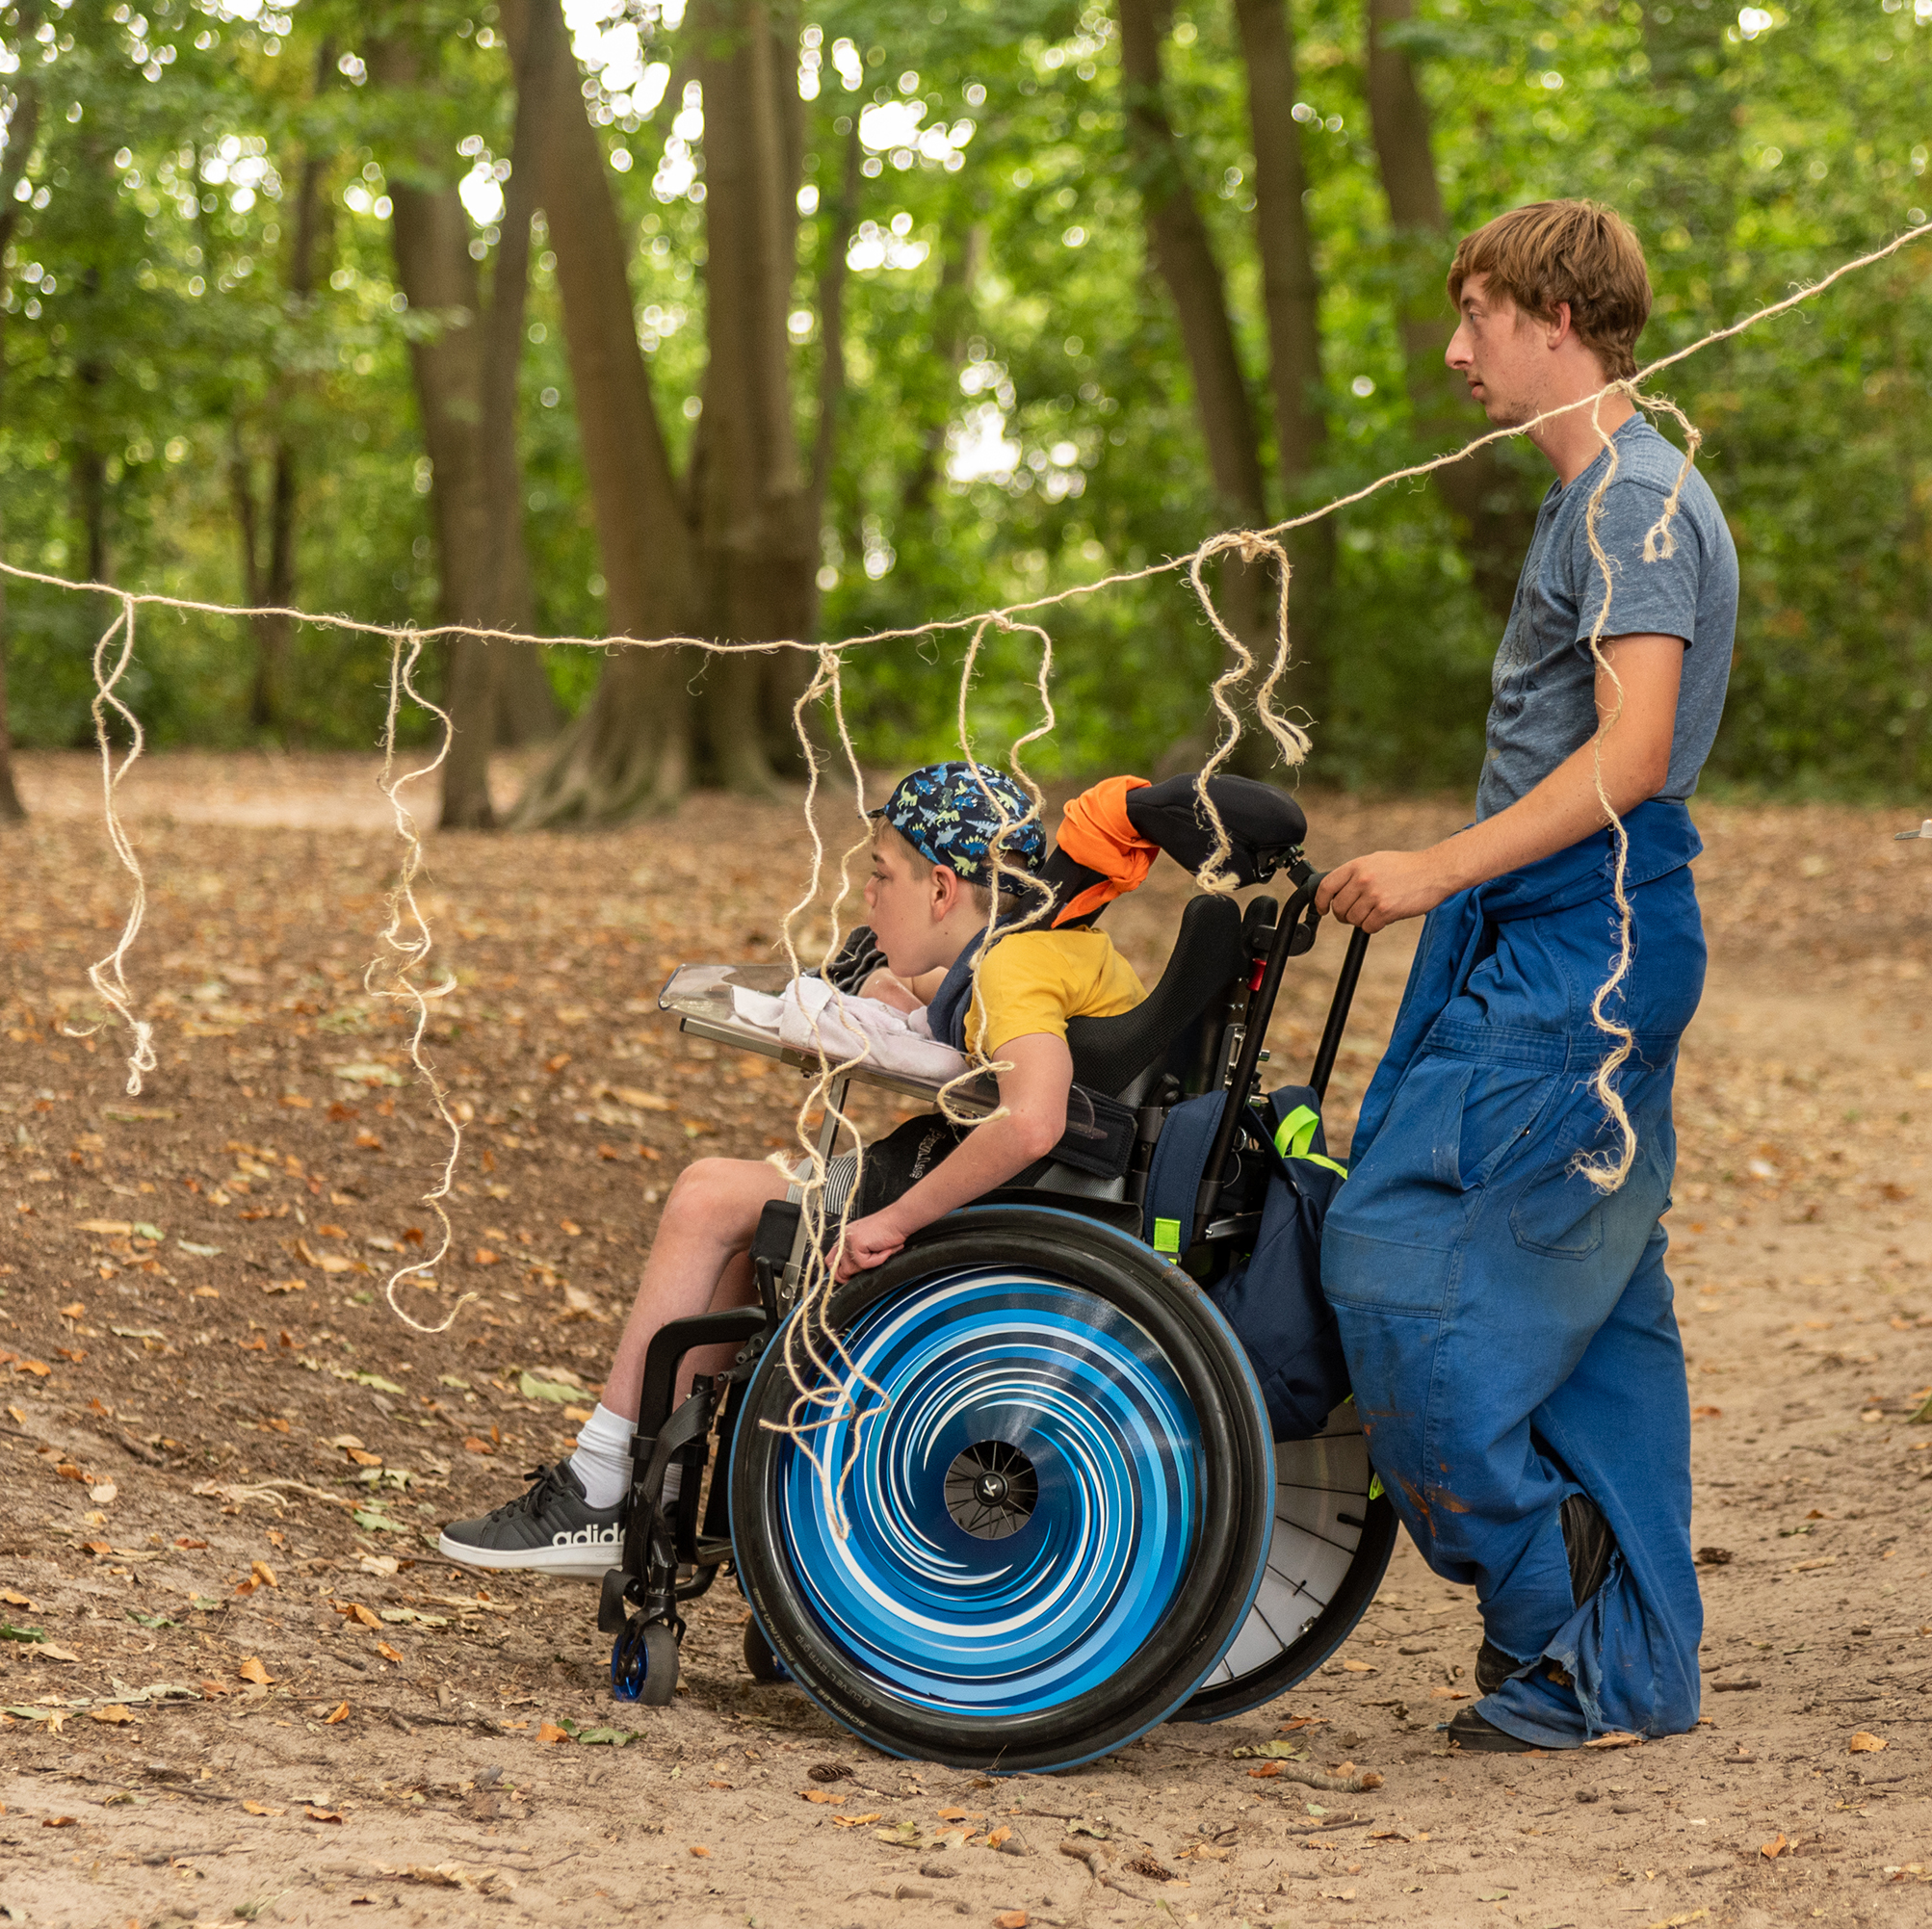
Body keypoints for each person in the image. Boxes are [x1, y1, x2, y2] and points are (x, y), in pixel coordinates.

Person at [1314, 200, 1736, 1753]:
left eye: (1478, 311)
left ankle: (1540, 1580)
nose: (1456, 347)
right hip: (1551, 930)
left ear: (1558, 316)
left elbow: (1630, 755)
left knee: (1391, 1247)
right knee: (1606, 1302)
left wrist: (1436, 865)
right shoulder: (1593, 503)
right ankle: (1620, 1672)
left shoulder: (1637, 503)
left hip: (1592, 941)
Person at [436, 762, 1147, 1577]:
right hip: (1033, 1191)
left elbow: (1031, 1119)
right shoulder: (1037, 948)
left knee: (708, 1194)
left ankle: (599, 1487)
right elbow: (988, 1029)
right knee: (751, 1226)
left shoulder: (1008, 972)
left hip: (993, 1199)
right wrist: (900, 996)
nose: (868, 897)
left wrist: (894, 1220)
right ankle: (647, 1486)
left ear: (943, 890)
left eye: (882, 875)